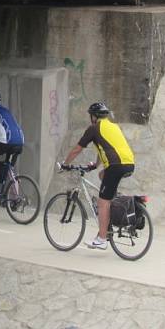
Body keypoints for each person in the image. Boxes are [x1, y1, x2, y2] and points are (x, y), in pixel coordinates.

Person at [61, 102, 135, 250]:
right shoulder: (112, 127)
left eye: (91, 115)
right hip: (129, 163)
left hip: (115, 166)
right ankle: (113, 203)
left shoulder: (94, 128)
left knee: (102, 202)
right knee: (102, 175)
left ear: (94, 116)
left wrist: (65, 163)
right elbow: (106, 148)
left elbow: (77, 149)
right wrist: (95, 165)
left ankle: (102, 239)